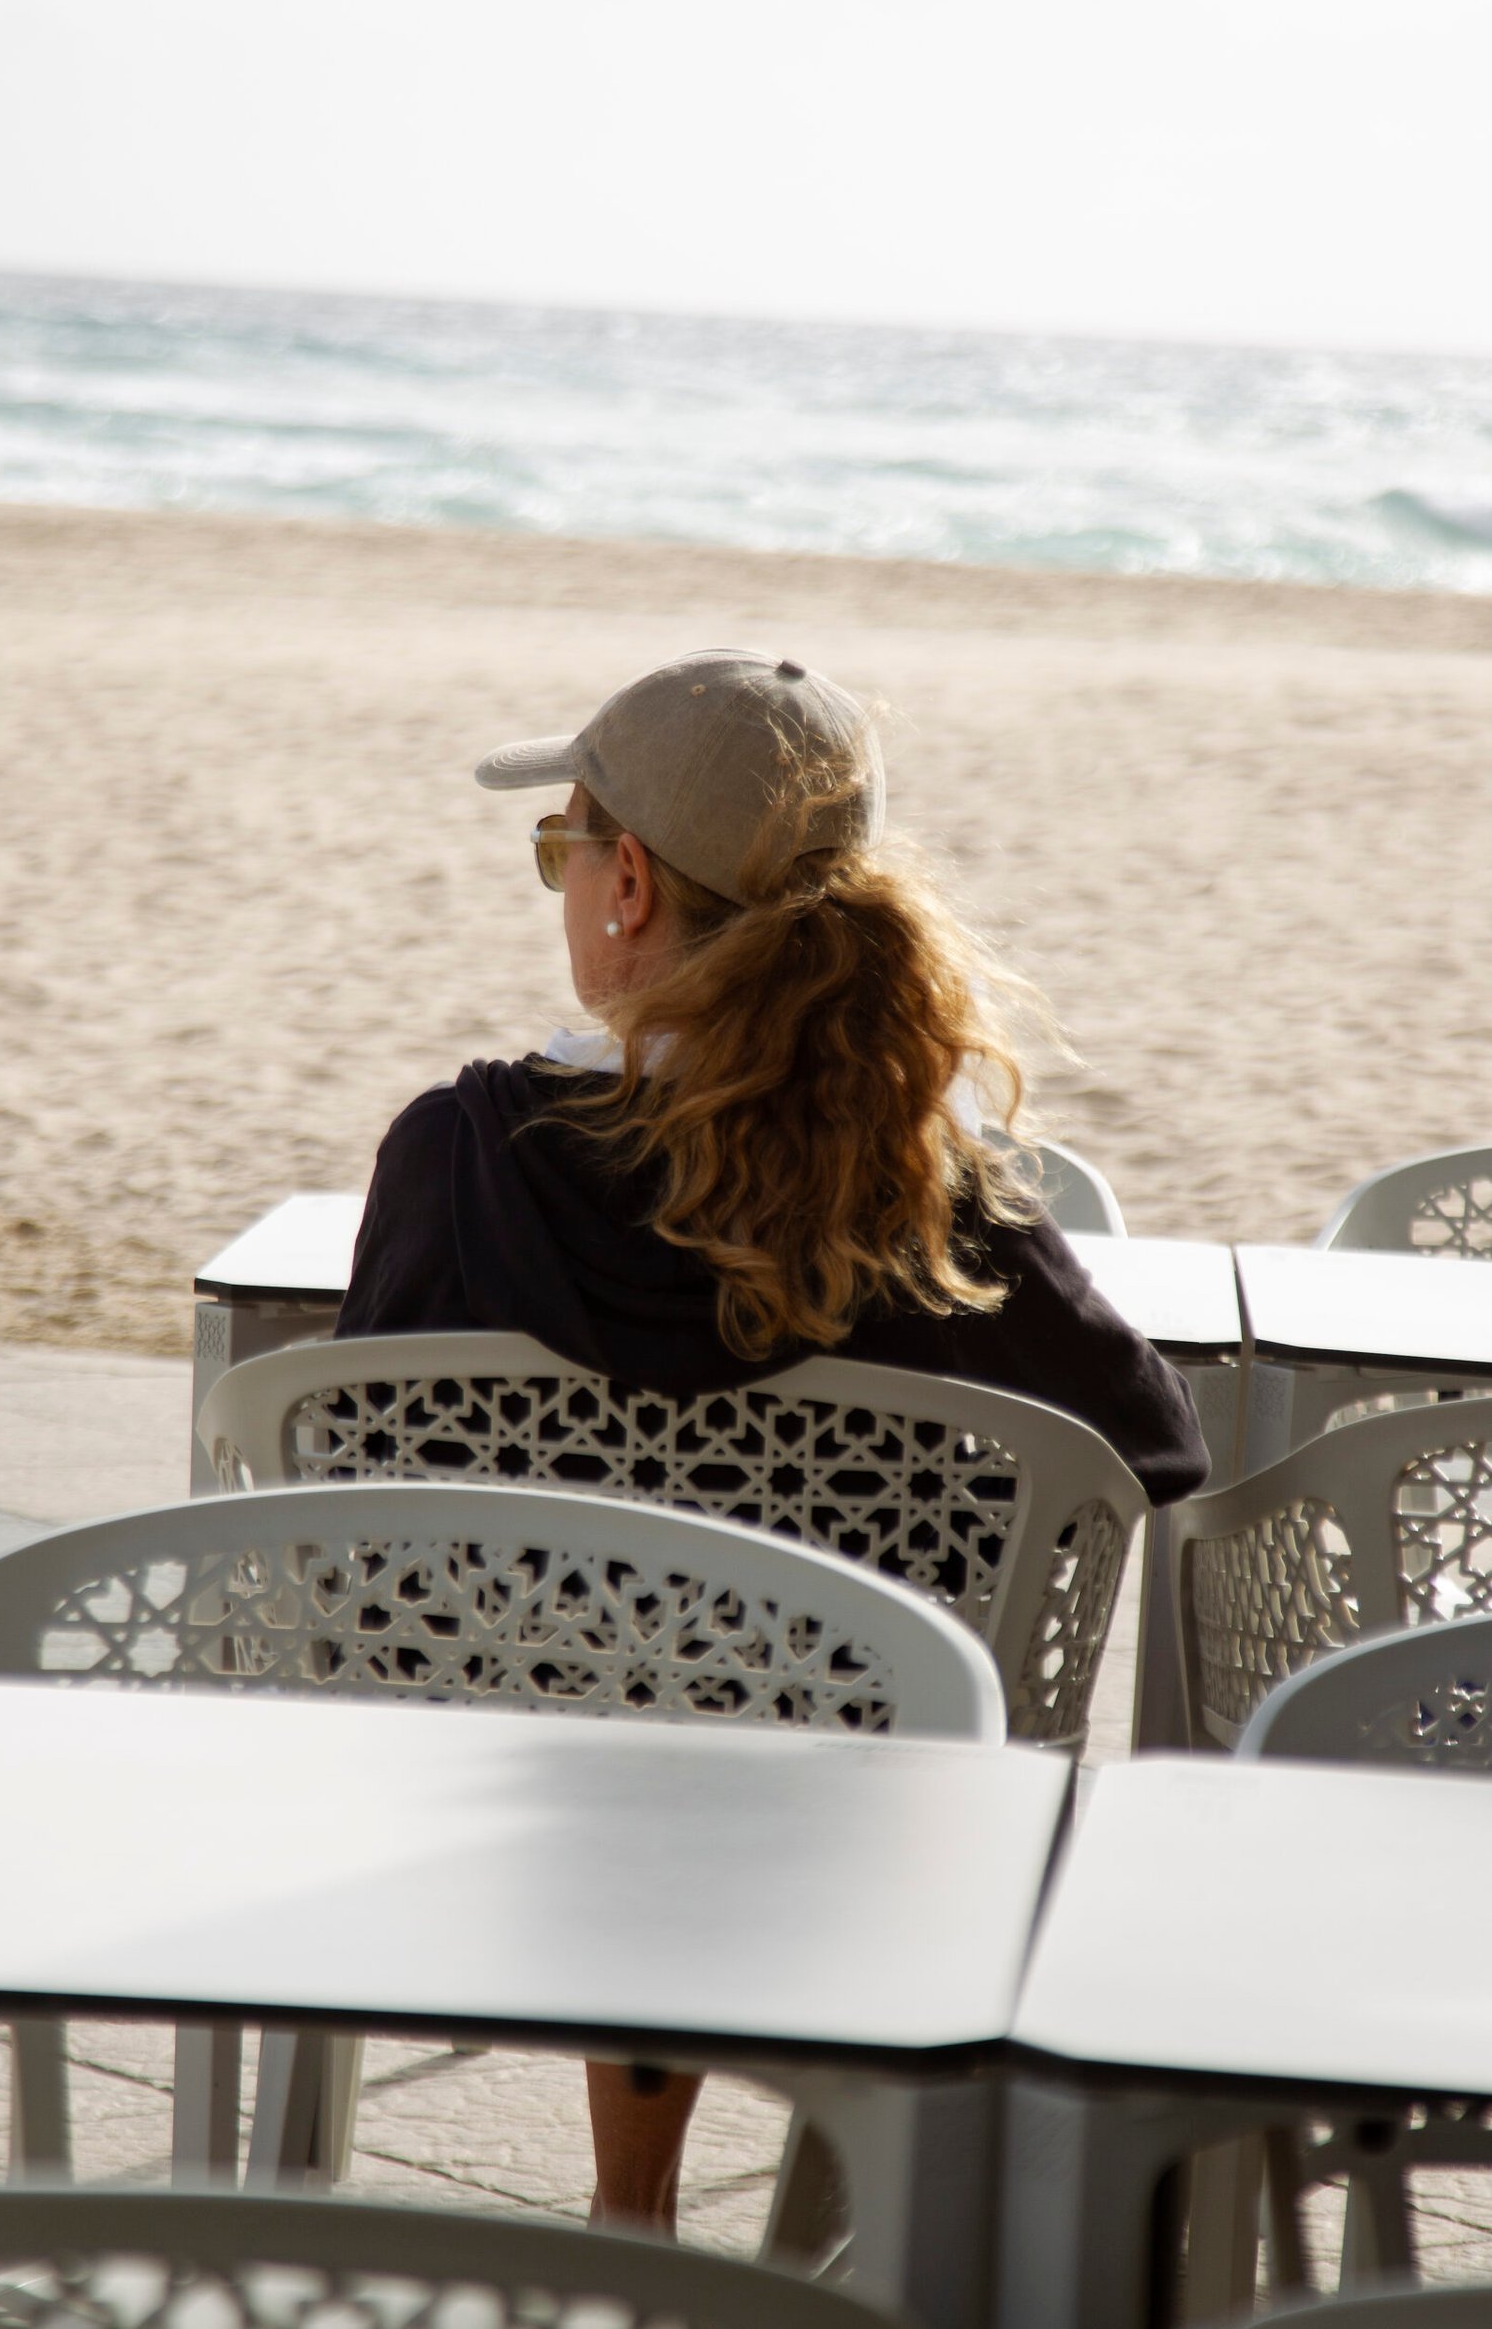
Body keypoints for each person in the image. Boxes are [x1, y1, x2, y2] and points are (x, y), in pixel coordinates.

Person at [338, 646, 1208, 2232]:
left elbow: (363, 1490)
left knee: (630, 1675)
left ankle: (632, 2215)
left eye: (559, 849)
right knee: (744, 1664)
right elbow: (1144, 1444)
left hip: (502, 1790)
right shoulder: (927, 1187)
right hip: (857, 1791)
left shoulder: (462, 1155)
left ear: (622, 886)